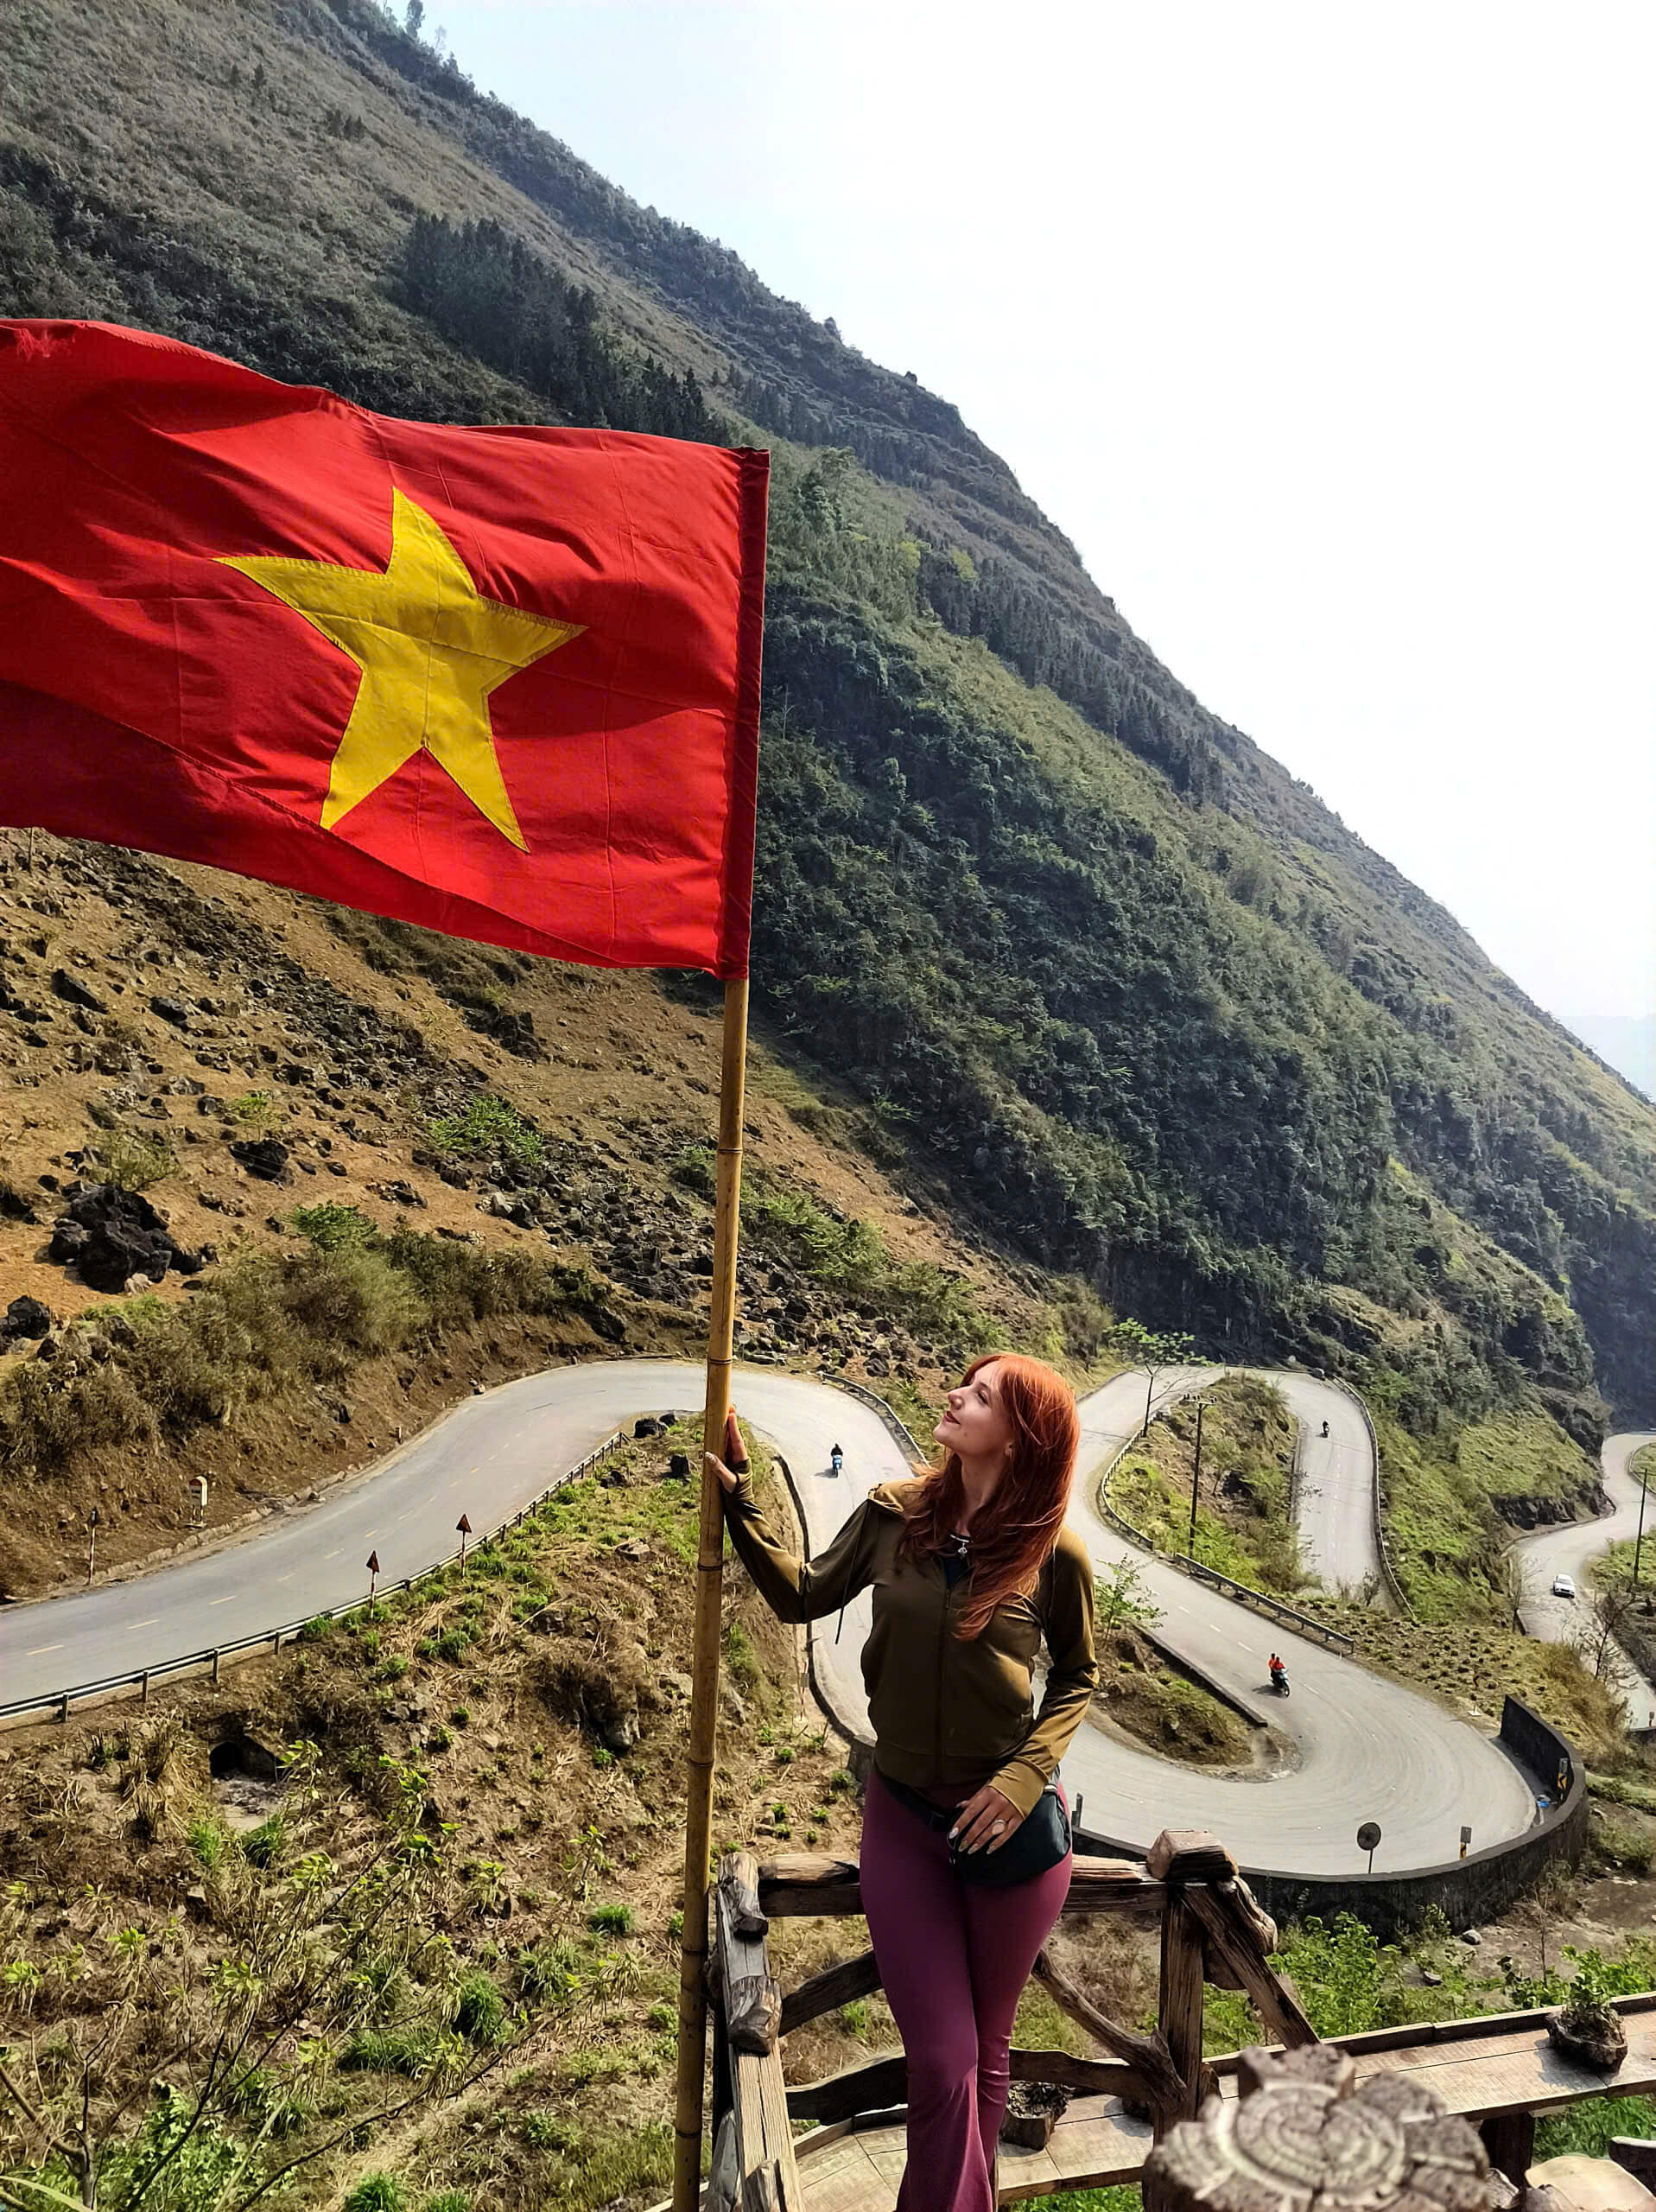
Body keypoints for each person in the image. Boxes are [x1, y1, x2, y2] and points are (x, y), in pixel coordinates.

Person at [708, 1357, 1097, 2212]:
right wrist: (739, 1500)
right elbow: (802, 1594)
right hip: (906, 1822)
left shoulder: (1051, 1549)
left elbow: (1077, 1675)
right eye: (965, 1383)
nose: (955, 1396)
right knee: (945, 2059)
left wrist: (1029, 1774)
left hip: (1012, 1839)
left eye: (982, 1394)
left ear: (1021, 1436)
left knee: (986, 2054)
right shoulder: (895, 1514)